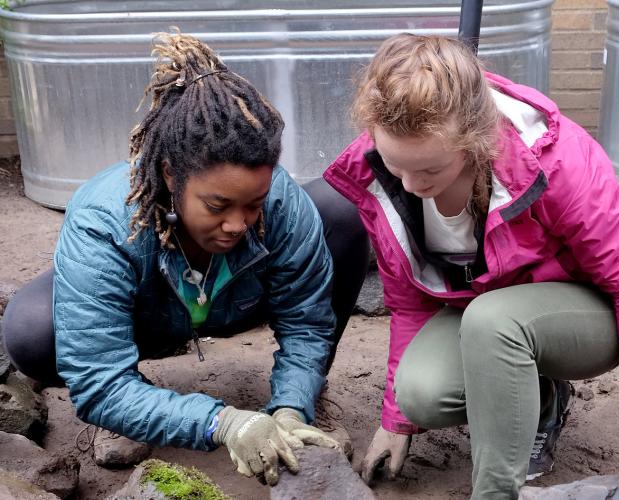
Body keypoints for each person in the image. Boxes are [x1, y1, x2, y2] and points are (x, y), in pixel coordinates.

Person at [323, 33, 619, 498]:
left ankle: (495, 492)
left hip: (584, 317)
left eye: (430, 170)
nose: (411, 186)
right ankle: (540, 403)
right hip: (486, 317)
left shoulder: (556, 161)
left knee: (493, 322)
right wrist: (395, 422)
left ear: (474, 140)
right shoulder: (380, 174)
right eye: (399, 167)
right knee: (421, 395)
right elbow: (410, 303)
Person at [1, 31, 368, 486]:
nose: (238, 224)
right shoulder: (104, 221)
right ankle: (132, 409)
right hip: (148, 320)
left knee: (340, 213)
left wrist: (292, 407)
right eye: (217, 206)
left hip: (237, 305)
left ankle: (307, 398)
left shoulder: (281, 205)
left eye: (253, 203)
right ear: (170, 175)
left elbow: (308, 323)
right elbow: (97, 380)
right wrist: (221, 422)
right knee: (32, 332)